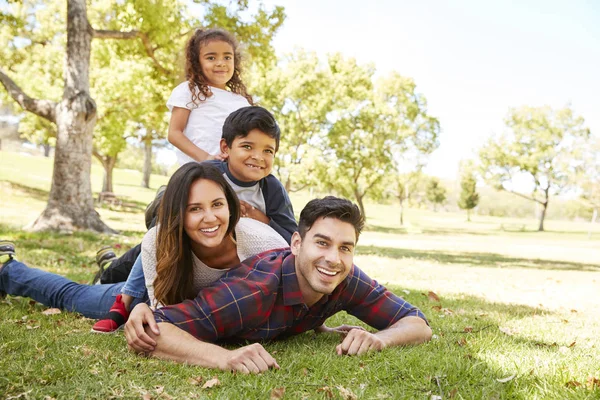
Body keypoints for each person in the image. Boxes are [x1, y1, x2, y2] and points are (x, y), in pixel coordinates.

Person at [126, 196, 432, 373]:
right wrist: (225, 358)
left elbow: (418, 323)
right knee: (91, 298)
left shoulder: (345, 278)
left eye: (345, 247)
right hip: (170, 287)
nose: (333, 259)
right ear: (296, 243)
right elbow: (156, 327)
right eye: (322, 243)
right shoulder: (252, 292)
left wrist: (382, 339)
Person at [91, 106, 297, 332]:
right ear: (225, 148)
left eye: (268, 151)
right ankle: (121, 297)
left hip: (220, 264)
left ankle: (115, 277)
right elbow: (164, 230)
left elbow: (291, 240)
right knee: (147, 248)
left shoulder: (272, 190)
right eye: (247, 146)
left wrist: (261, 218)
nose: (258, 157)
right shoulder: (207, 174)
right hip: (181, 250)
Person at [0, 163, 288, 322]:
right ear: (177, 215)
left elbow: (298, 284)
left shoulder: (259, 239)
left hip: (204, 311)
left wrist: (324, 328)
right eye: (194, 208)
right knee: (71, 297)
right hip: (146, 301)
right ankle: (8, 270)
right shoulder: (160, 239)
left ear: (231, 206)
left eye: (217, 204)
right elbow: (164, 317)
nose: (210, 218)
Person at [168, 27, 253, 165]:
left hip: (229, 173)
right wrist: (206, 158)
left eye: (227, 57)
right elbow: (174, 133)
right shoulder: (189, 91)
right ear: (197, 62)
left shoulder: (242, 102)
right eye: (211, 57)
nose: (220, 63)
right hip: (195, 171)